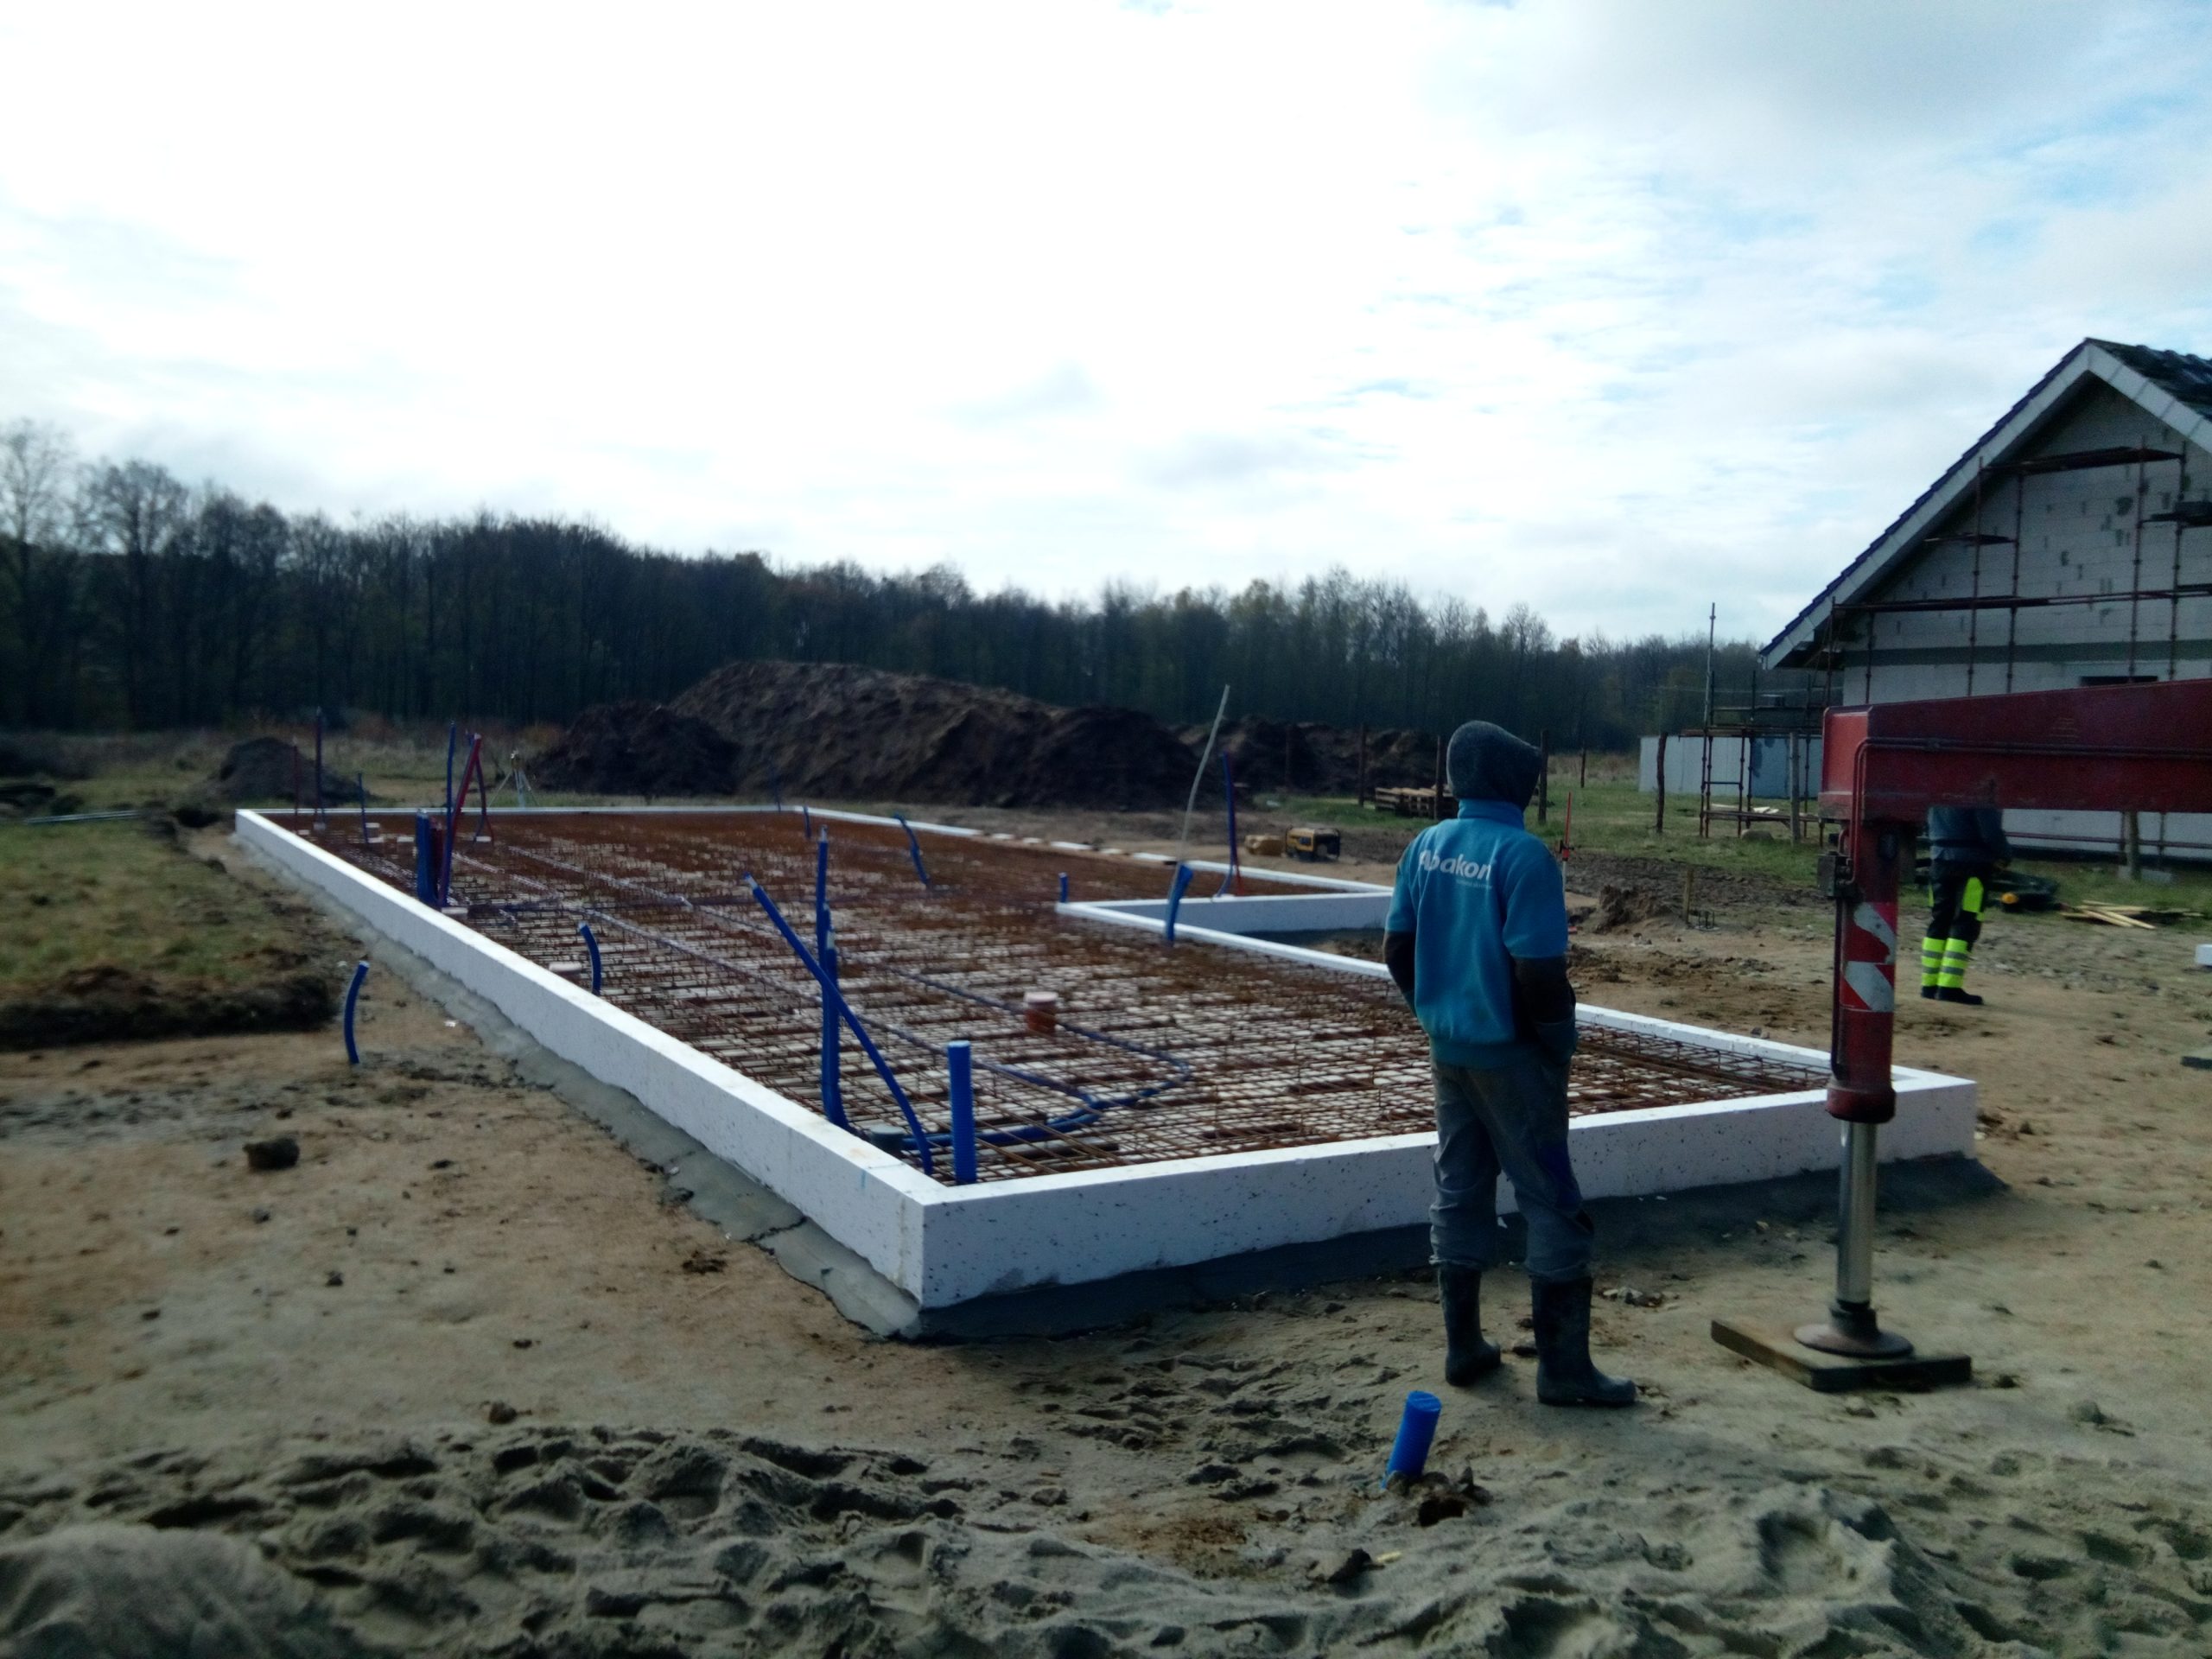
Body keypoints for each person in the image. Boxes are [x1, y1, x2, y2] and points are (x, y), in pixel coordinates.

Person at [1382, 720, 1635, 1408]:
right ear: (1513, 783)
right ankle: (1564, 1370)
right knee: (1550, 1199)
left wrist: (1435, 1013)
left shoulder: (1426, 846)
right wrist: (1556, 1039)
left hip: (1450, 1053)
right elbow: (1538, 973)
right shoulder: (1524, 858)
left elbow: (1397, 951)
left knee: (1459, 1189)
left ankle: (1463, 1347)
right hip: (1514, 1058)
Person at [1923, 806, 2009, 1006]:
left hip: (1939, 861)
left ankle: (1929, 985)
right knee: (1965, 920)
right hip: (1971, 864)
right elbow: (1990, 830)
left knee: (1939, 920)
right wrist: (2005, 854)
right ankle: (1949, 988)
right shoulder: (1979, 793)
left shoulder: (1937, 793)